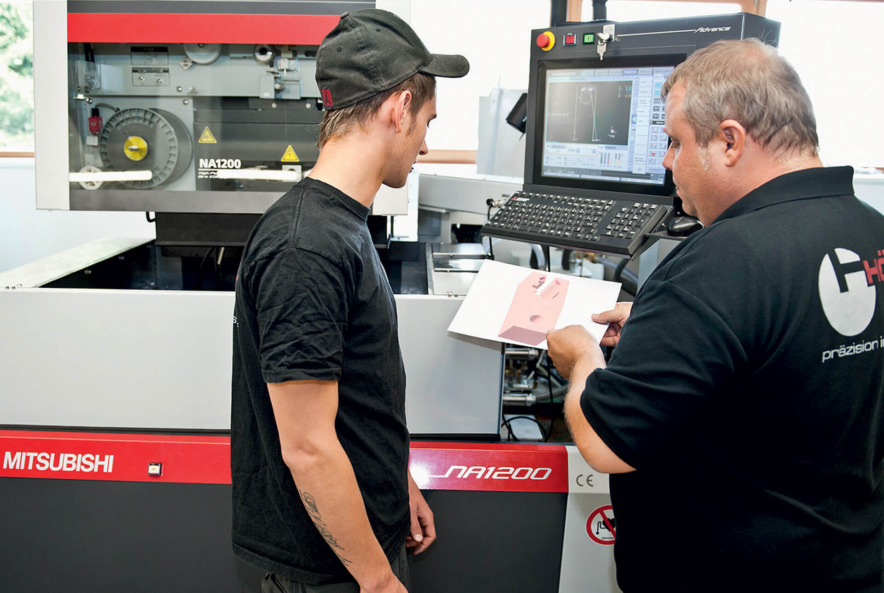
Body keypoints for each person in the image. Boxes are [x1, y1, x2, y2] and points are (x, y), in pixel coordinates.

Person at [547, 39, 884, 593]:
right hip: (848, 566)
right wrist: (672, 334)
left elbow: (605, 444)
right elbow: (794, 354)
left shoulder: (720, 262)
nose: (666, 161)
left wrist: (582, 355)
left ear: (729, 141)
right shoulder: (868, 230)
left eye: (675, 142)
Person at [230, 9, 468, 593]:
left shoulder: (341, 225)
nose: (426, 146)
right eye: (426, 122)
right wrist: (379, 581)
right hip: (328, 570)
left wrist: (394, 482)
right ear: (399, 108)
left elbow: (353, 398)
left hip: (362, 533)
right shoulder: (305, 249)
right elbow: (308, 448)